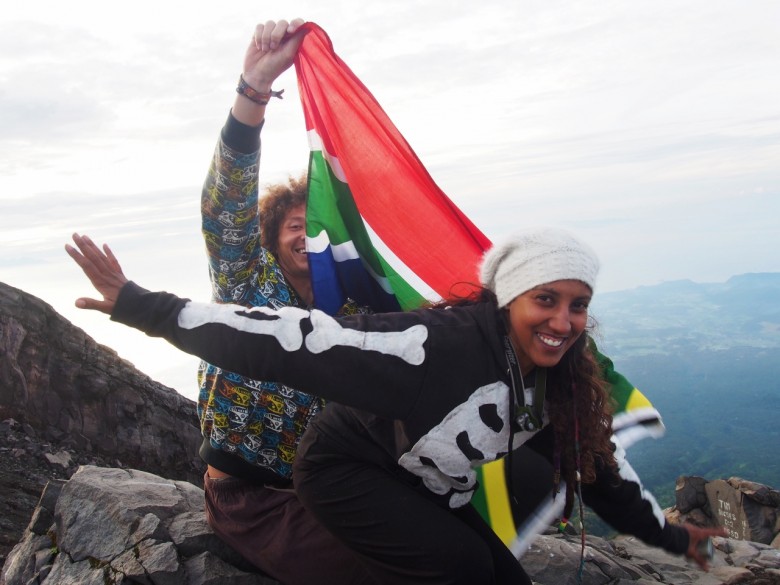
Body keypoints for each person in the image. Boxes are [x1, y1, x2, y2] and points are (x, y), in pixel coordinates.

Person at [65, 227, 726, 585]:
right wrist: (140, 305)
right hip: (341, 472)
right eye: (544, 299)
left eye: (576, 303)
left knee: (503, 573)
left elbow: (595, 469)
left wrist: (669, 536)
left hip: (418, 483)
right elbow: (292, 341)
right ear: (510, 300)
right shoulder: (435, 349)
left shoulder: (559, 378)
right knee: (459, 567)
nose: (562, 319)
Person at [195, 18, 375, 585]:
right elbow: (227, 206)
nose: (307, 235)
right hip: (250, 495)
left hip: (335, 486)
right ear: (272, 237)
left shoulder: (352, 309)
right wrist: (254, 91)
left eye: (317, 225)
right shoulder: (247, 285)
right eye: (296, 224)